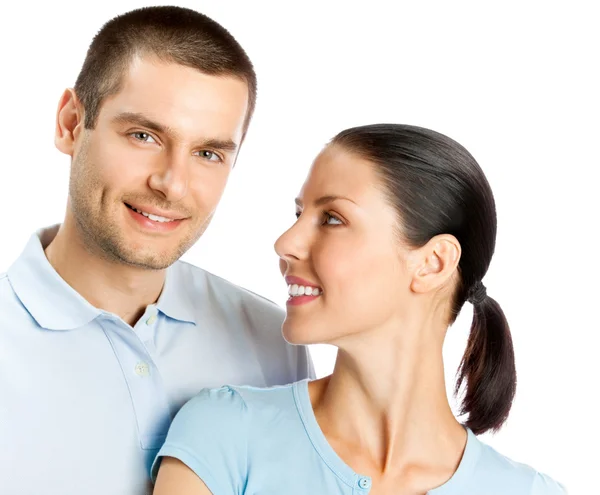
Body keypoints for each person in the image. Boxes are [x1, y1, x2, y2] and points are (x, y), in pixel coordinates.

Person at [152, 124, 566, 494]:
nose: (286, 242)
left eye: (332, 218)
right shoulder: (225, 433)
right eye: (299, 213)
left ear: (432, 263)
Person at [0, 6, 313, 495]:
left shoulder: (272, 342)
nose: (172, 184)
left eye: (208, 153)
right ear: (70, 123)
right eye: (143, 135)